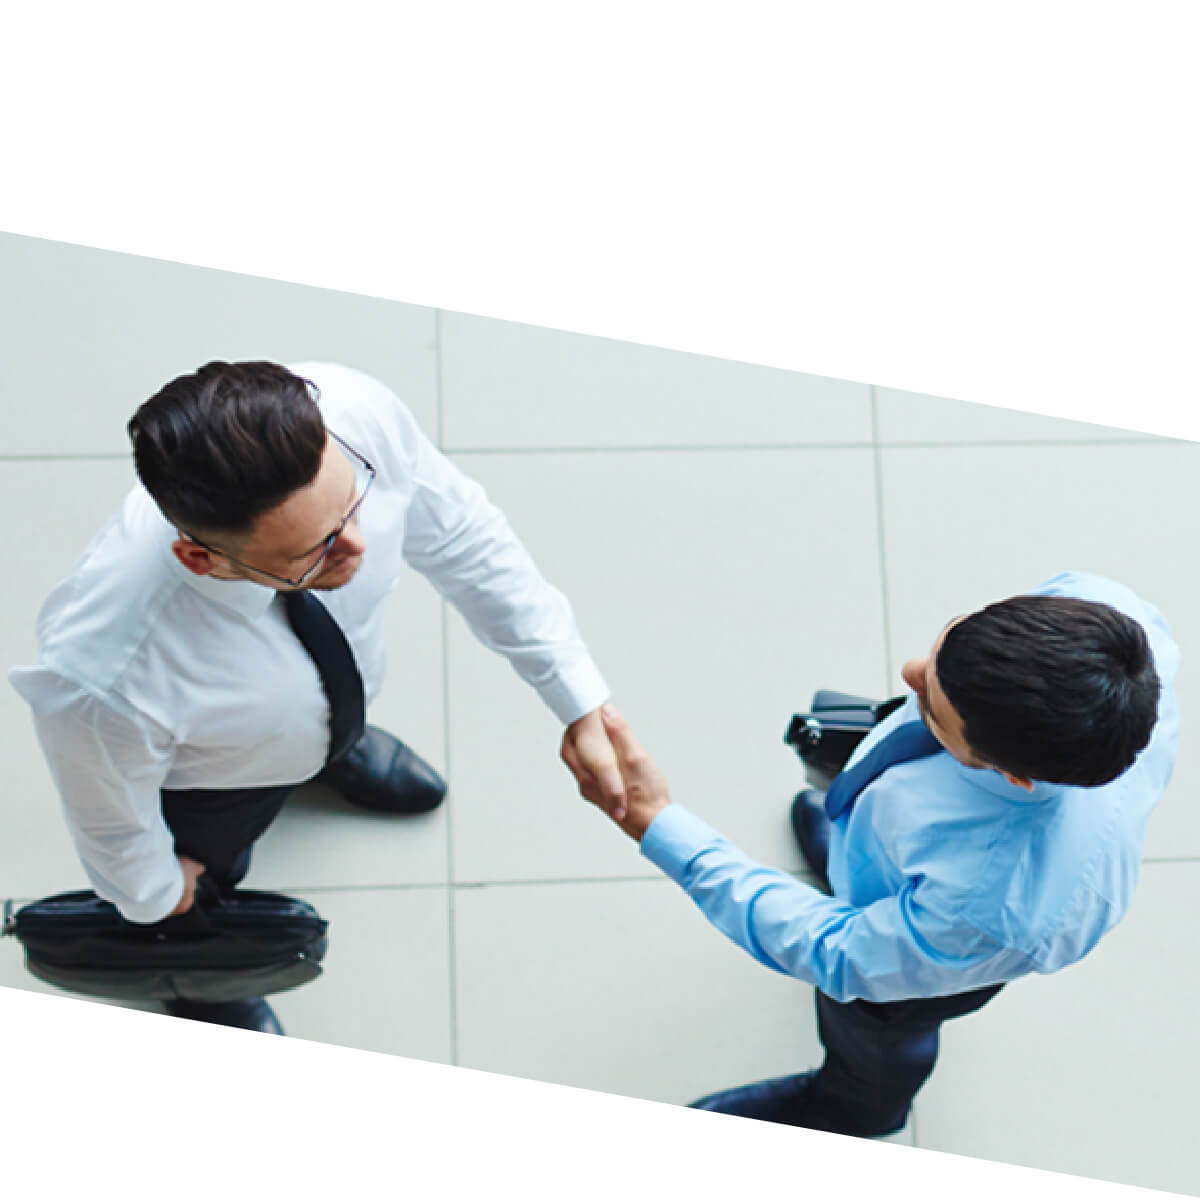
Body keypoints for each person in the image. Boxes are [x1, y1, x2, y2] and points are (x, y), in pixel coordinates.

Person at [11, 359, 625, 1035]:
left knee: (313, 709)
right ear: (201, 558)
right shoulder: (102, 674)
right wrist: (156, 896)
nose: (358, 545)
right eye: (317, 549)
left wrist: (577, 699)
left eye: (353, 502)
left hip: (317, 701)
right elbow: (107, 811)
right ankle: (199, 983)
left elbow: (464, 538)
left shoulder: (351, 414)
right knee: (212, 864)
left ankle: (335, 747)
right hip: (215, 781)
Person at [564, 572, 1179, 1138]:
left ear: (1013, 775)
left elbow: (838, 952)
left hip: (932, 959)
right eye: (942, 649)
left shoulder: (992, 909)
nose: (911, 672)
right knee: (866, 846)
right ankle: (859, 866)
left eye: (933, 709)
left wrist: (657, 823)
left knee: (876, 1021)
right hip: (925, 868)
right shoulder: (1108, 610)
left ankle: (858, 1108)